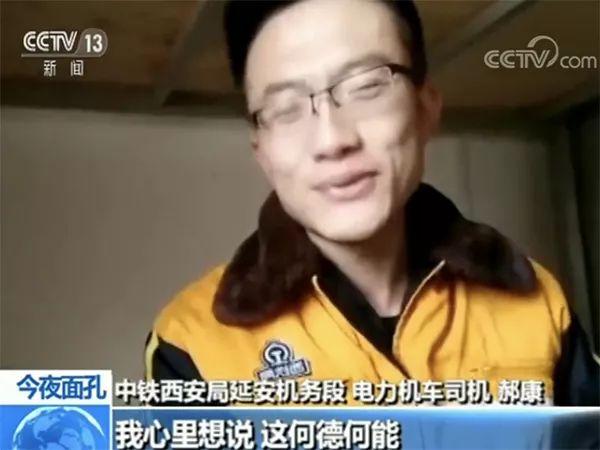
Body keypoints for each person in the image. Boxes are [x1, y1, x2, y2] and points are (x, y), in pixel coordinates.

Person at [144, 0, 598, 406]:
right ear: (262, 152)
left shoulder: (536, 302)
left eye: (366, 86)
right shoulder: (193, 342)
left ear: (426, 108)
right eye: (285, 108)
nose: (332, 140)